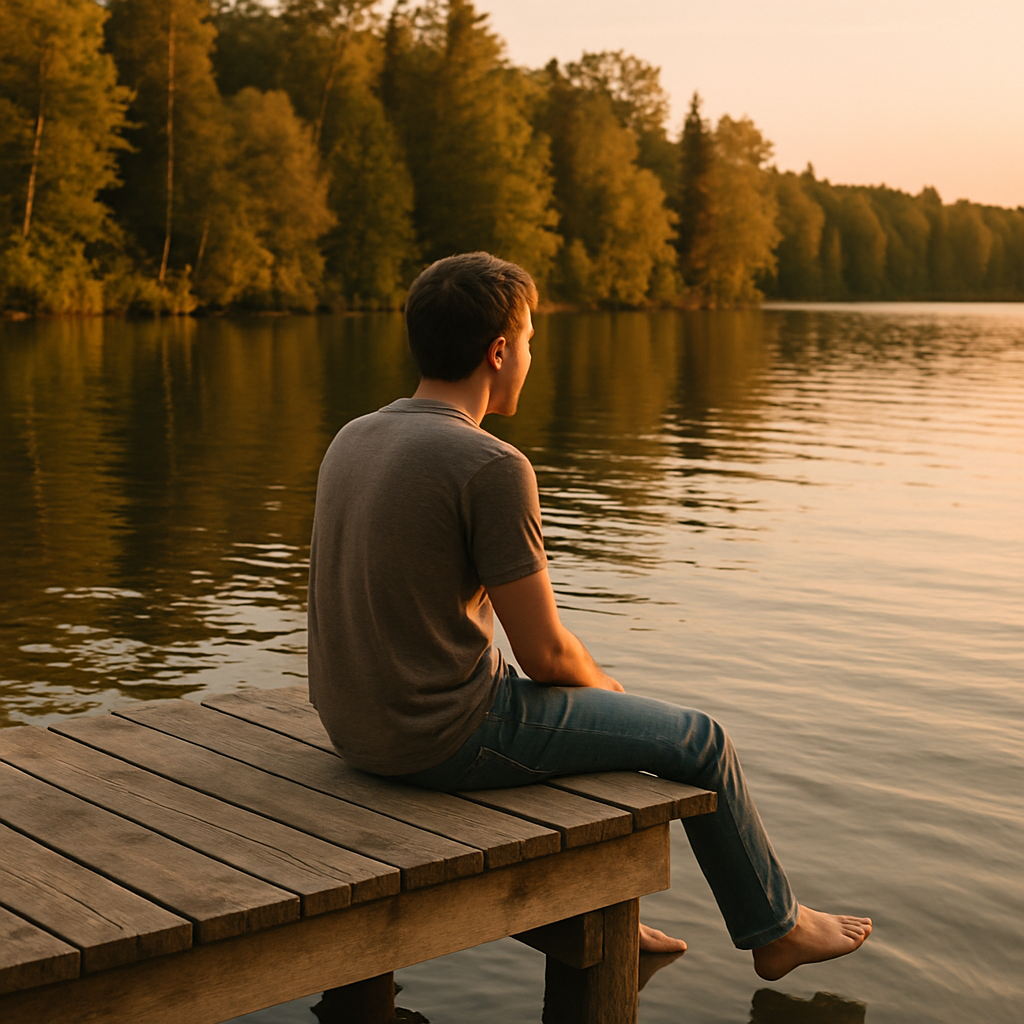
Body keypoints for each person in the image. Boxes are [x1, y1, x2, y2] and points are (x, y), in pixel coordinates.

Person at [307, 252, 871, 980]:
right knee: (698, 741)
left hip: (353, 728)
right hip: (438, 737)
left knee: (590, 725)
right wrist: (607, 692)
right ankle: (776, 928)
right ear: (499, 351)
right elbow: (545, 655)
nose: (534, 355)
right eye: (532, 340)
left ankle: (597, 912)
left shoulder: (352, 436)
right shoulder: (490, 465)